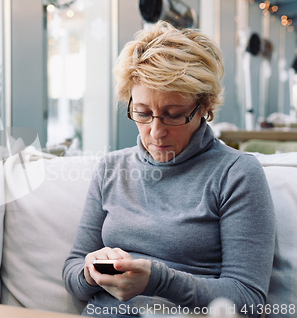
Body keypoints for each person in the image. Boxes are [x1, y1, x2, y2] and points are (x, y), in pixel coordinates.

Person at [63, 21, 276, 318]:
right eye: (143, 113)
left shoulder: (236, 173)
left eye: (173, 115)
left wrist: (159, 281)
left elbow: (249, 301)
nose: (156, 131)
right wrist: (91, 270)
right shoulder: (111, 168)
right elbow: (72, 270)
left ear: (204, 107)